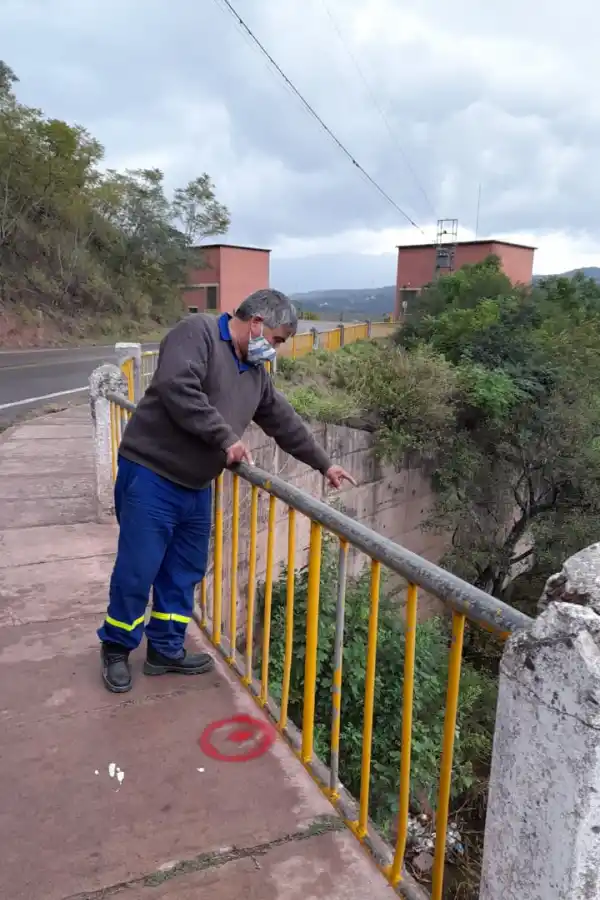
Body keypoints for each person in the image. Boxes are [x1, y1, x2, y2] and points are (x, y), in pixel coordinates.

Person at [98, 289, 356, 693]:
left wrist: (325, 464)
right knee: (138, 568)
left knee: (183, 571)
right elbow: (177, 386)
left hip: (196, 485)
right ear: (256, 323)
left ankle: (165, 649)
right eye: (276, 340)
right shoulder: (196, 333)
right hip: (151, 473)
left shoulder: (255, 373)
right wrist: (224, 437)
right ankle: (116, 648)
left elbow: (282, 421)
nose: (275, 349)